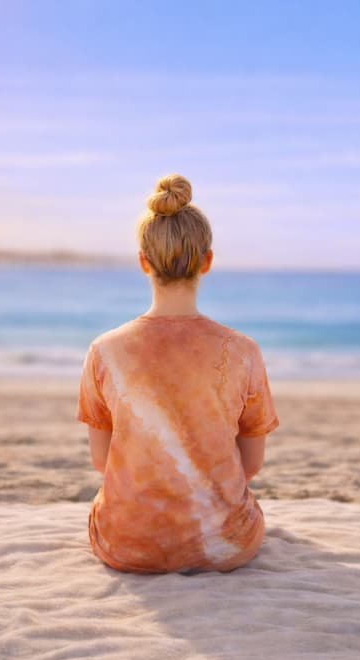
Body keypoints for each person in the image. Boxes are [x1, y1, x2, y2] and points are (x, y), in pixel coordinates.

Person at [75, 173, 280, 574]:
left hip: (126, 546)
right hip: (225, 546)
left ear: (142, 261)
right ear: (207, 261)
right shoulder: (242, 351)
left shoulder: (105, 350)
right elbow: (251, 465)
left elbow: (102, 461)